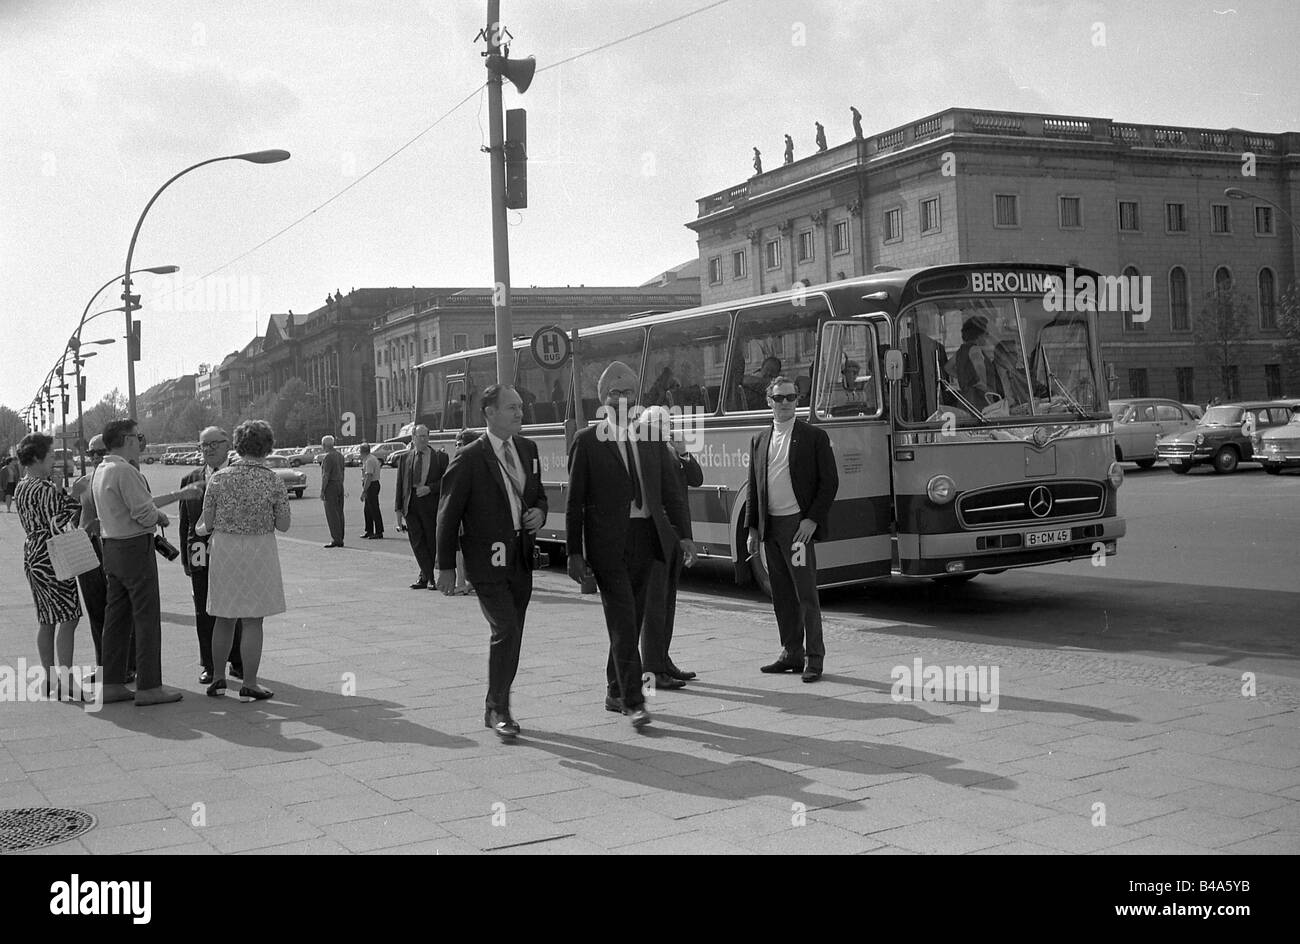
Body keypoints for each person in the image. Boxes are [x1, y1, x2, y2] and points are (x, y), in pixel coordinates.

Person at [566, 361, 697, 728]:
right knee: (623, 618)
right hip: (608, 544)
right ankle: (634, 699)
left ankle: (613, 688)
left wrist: (684, 536)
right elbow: (575, 501)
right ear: (602, 398)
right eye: (614, 393)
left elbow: (671, 494)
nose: (621, 399)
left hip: (646, 538)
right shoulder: (587, 441)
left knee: (632, 618)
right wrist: (574, 552)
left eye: (627, 393)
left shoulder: (652, 437)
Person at [435, 386, 547, 740]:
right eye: (511, 407)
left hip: (521, 556)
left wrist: (540, 514)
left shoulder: (528, 449)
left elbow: (538, 494)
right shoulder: (470, 457)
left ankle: (494, 704)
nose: (519, 413)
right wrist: (445, 567)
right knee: (506, 629)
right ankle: (500, 709)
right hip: (486, 560)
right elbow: (447, 515)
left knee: (513, 634)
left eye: (520, 407)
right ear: (489, 413)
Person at [92, 419, 199, 706]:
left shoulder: (103, 469)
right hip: (134, 548)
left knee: (116, 618)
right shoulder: (126, 471)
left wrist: (177, 496)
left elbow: (140, 502)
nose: (141, 442)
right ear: (127, 439)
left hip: (112, 547)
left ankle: (112, 682)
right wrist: (159, 518)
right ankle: (149, 685)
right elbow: (144, 511)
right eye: (138, 437)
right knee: (146, 618)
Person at [746, 376, 839, 682]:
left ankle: (814, 657)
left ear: (798, 400)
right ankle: (791, 652)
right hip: (771, 528)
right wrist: (753, 530)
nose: (785, 403)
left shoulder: (813, 436)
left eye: (791, 397)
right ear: (768, 402)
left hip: (797, 527)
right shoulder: (759, 439)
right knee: (781, 594)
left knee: (805, 594)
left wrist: (811, 520)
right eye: (779, 398)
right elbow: (754, 489)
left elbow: (829, 483)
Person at [196, 420, 290, 702]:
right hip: (259, 550)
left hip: (225, 550)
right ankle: (249, 682)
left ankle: (217, 678)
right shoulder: (273, 480)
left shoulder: (219, 478)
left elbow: (206, 522)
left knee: (223, 618)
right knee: (252, 621)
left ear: (237, 445)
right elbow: (284, 524)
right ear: (267, 447)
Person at [637, 406, 703, 690]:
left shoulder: (671, 451)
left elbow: (696, 479)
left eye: (669, 422)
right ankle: (652, 669)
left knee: (668, 602)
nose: (667, 427)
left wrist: (684, 453)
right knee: (654, 606)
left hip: (675, 536)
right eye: (661, 423)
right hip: (659, 537)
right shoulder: (646, 452)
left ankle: (663, 660)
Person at [13, 433, 82, 698]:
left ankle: (49, 677)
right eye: (51, 455)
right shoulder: (43, 488)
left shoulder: (23, 486)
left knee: (46, 618)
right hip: (53, 553)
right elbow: (60, 522)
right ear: (37, 458)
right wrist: (73, 494)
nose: (54, 459)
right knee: (68, 616)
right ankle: (66, 679)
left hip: (33, 552)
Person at [178, 426, 244, 686]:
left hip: (231, 552)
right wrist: (185, 558)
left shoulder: (238, 475)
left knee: (235, 608)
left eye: (214, 444)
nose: (208, 450)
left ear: (227, 444)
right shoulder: (190, 478)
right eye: (203, 445)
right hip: (199, 554)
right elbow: (185, 522)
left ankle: (237, 661)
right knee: (202, 610)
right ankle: (208, 664)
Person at [67, 434, 121, 681]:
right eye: (92, 454)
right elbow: (71, 517)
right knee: (96, 609)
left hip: (115, 550)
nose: (97, 457)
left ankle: (125, 665)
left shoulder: (122, 475)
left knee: (119, 610)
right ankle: (103, 667)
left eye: (101, 452)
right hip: (88, 551)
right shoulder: (83, 483)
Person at [395, 424, 448, 589]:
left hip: (430, 504)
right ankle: (428, 575)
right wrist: (398, 511)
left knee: (430, 541)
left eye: (426, 436)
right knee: (416, 542)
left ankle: (426, 577)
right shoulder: (405, 458)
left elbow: (447, 482)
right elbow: (400, 486)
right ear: (413, 438)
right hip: (411, 504)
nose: (423, 439)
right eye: (420, 436)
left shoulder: (439, 457)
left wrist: (430, 488)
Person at [452, 429, 482, 594]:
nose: (457, 447)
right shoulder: (459, 462)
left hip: (471, 516)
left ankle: (466, 581)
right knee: (460, 550)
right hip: (463, 516)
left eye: (460, 444)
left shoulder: (469, 464)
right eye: (456, 443)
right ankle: (462, 580)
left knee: (467, 550)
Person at [319, 435, 346, 548]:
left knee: (332, 513)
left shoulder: (328, 457)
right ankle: (340, 536)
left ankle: (336, 538)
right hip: (339, 484)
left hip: (331, 486)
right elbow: (343, 472)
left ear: (325, 445)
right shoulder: (340, 456)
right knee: (339, 512)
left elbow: (326, 475)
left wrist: (322, 490)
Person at [358, 443, 384, 540]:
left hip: (371, 485)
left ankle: (379, 531)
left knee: (374, 509)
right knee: (367, 510)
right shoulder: (370, 458)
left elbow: (369, 476)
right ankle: (369, 530)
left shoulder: (369, 460)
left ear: (362, 451)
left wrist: (364, 491)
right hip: (372, 484)